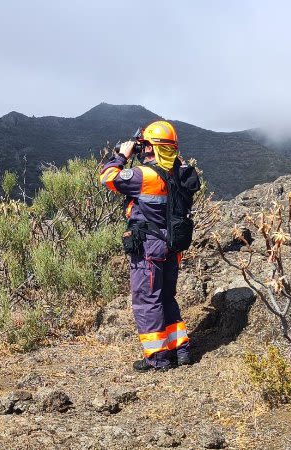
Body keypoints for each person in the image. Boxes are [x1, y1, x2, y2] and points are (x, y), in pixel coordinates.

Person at [99, 120, 200, 372]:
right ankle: (181, 350)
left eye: (145, 145)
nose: (142, 149)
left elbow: (107, 178)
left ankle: (157, 357)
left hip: (149, 248)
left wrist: (121, 156)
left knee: (147, 301)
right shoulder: (181, 171)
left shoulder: (145, 175)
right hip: (173, 244)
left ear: (152, 147)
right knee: (166, 297)